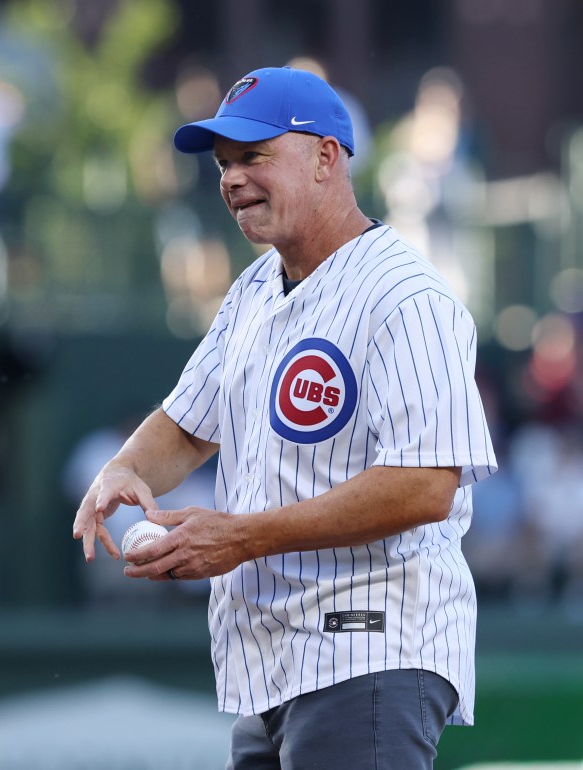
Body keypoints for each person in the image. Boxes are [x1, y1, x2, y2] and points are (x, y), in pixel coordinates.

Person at [73, 66, 497, 769]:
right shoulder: (253, 291)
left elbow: (426, 485)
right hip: (273, 665)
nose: (232, 178)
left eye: (254, 155)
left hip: (371, 649)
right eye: (224, 163)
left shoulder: (404, 296)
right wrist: (124, 469)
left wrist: (239, 537)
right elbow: (188, 422)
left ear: (327, 157)